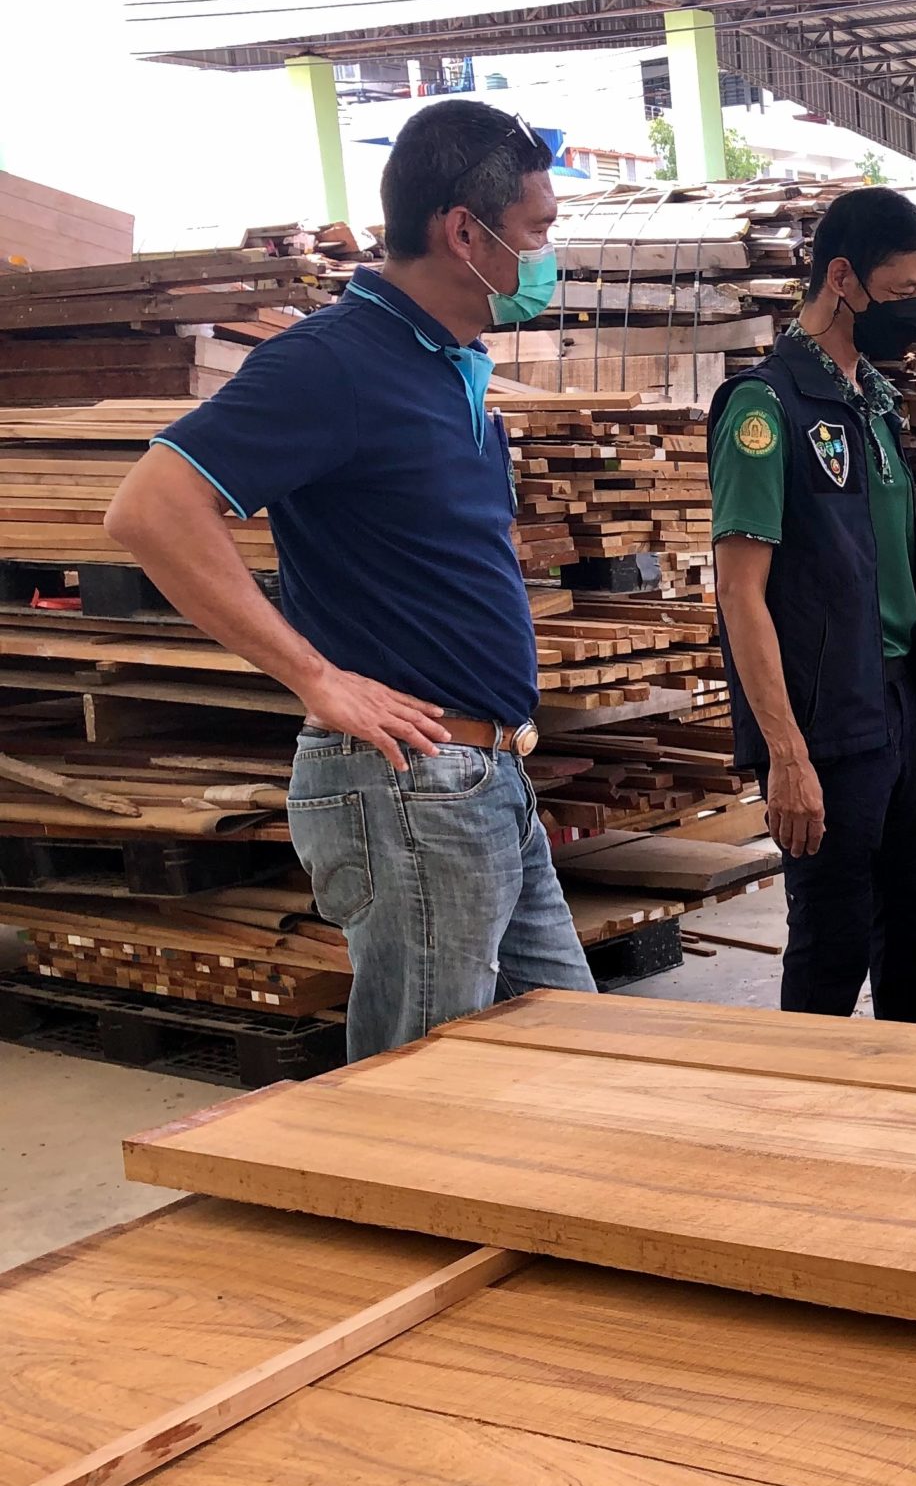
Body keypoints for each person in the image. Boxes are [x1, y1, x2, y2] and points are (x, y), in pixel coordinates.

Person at [103, 100, 593, 1062]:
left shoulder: (448, 364)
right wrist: (315, 677)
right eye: (536, 232)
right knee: (428, 1087)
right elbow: (150, 510)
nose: (547, 257)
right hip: (410, 787)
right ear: (465, 232)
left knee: (575, 1052)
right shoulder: (336, 361)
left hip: (480, 779)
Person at [711, 187, 916, 1021]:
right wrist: (786, 754)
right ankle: (807, 1096)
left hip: (901, 706)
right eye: (903, 292)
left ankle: (907, 1087)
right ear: (842, 278)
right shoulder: (767, 406)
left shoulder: (873, 403)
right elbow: (740, 592)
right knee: (833, 943)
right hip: (828, 722)